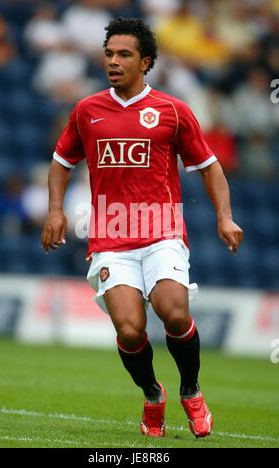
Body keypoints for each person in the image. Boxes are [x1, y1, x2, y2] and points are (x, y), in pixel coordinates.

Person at [41, 17, 243, 439]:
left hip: (162, 233)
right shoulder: (87, 110)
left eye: (124, 54)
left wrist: (224, 216)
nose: (113, 61)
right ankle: (153, 395)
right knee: (130, 330)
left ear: (145, 62)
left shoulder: (172, 110)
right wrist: (55, 210)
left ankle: (191, 391)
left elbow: (209, 168)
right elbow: (61, 163)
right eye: (109, 54)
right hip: (111, 239)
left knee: (173, 311)